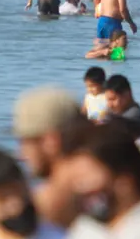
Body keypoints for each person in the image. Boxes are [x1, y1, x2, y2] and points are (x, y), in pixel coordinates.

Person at [13, 86, 92, 229]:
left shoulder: (40, 209)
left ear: (51, 141)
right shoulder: (113, 193)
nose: (21, 155)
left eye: (25, 142)